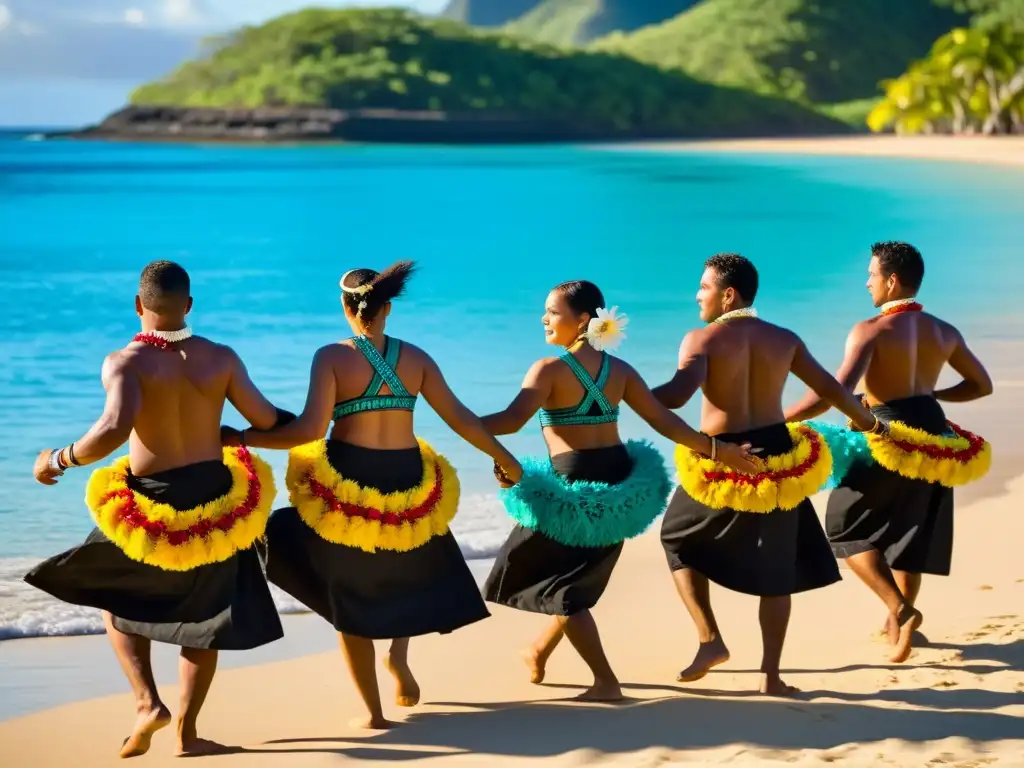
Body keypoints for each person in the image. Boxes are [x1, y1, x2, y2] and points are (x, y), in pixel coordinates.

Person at [223, 260, 522, 730]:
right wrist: (507, 458)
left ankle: (374, 713)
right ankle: (398, 658)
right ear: (387, 309)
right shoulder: (417, 358)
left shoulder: (332, 356)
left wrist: (241, 437)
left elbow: (307, 430)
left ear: (346, 306)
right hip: (406, 478)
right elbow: (461, 419)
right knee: (401, 573)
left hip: (351, 479)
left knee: (348, 591)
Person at [26, 261, 290, 758]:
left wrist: (56, 459)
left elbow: (112, 428)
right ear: (188, 305)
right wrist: (274, 430)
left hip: (152, 499)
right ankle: (187, 734)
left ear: (137, 305)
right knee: (209, 615)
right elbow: (266, 418)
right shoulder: (222, 358)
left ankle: (147, 703)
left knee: (115, 595)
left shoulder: (125, 362)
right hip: (214, 495)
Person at [480, 280, 759, 702]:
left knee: (556, 585)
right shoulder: (621, 372)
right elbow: (667, 424)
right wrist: (718, 450)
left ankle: (605, 683)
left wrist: (454, 418)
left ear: (583, 321)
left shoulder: (548, 370)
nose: (544, 319)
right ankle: (538, 650)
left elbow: (510, 420)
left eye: (552, 312)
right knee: (572, 580)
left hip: (572, 488)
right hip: (617, 483)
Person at [652, 253, 887, 696]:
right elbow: (831, 390)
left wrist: (624, 390)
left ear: (728, 294)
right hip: (778, 456)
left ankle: (709, 639)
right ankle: (771, 676)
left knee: (676, 538)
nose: (696, 295)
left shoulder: (701, 339)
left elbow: (678, 396)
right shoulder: (784, 338)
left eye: (703, 287)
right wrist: (873, 424)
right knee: (776, 567)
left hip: (724, 457)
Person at [785, 241, 992, 660]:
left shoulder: (871, 330)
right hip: (934, 434)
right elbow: (981, 385)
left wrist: (779, 419)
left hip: (888, 432)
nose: (867, 283)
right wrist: (931, 393)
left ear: (892, 281)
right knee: (910, 529)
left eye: (871, 275)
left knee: (843, 527)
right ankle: (897, 627)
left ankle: (900, 609)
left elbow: (835, 392)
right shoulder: (944, 331)